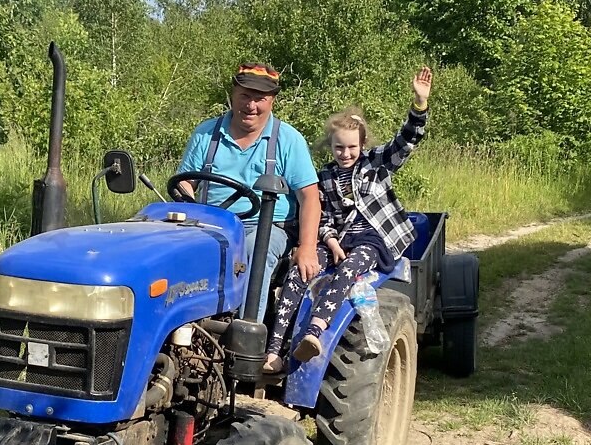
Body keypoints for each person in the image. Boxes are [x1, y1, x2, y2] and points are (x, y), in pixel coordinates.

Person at [264, 66, 434, 371]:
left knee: (349, 270)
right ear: (331, 146)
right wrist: (329, 239)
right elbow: (322, 214)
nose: (345, 153)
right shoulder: (325, 176)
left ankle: (315, 331)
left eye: (352, 147)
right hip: (339, 238)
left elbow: (407, 140)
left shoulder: (377, 164)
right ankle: (273, 351)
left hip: (373, 238)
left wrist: (419, 105)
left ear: (362, 145)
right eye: (339, 147)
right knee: (299, 271)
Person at [176, 61, 321, 324]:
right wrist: (184, 197)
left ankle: (245, 338)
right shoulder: (206, 133)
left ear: (272, 101)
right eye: (245, 96)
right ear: (233, 94)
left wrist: (308, 246)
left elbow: (310, 197)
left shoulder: (288, 140)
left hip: (266, 226)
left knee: (255, 250)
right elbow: (185, 183)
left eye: (260, 99)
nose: (251, 106)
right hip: (210, 224)